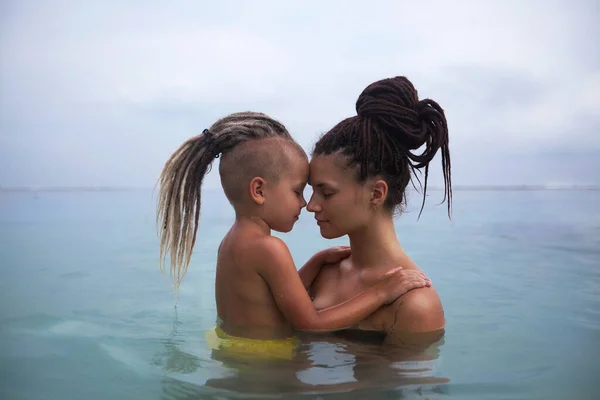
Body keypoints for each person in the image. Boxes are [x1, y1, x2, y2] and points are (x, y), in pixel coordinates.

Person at [155, 111, 432, 359]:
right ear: (259, 191)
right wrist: (382, 291)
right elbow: (309, 322)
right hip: (268, 370)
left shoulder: (232, 241)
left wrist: (316, 261)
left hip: (232, 355)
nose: (306, 203)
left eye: (326, 191)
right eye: (298, 191)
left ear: (377, 194)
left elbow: (273, 296)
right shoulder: (270, 247)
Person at [306, 76, 452, 344]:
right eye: (311, 190)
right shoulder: (322, 271)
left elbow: (402, 386)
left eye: (326, 192)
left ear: (376, 193)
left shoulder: (414, 304)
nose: (311, 205)